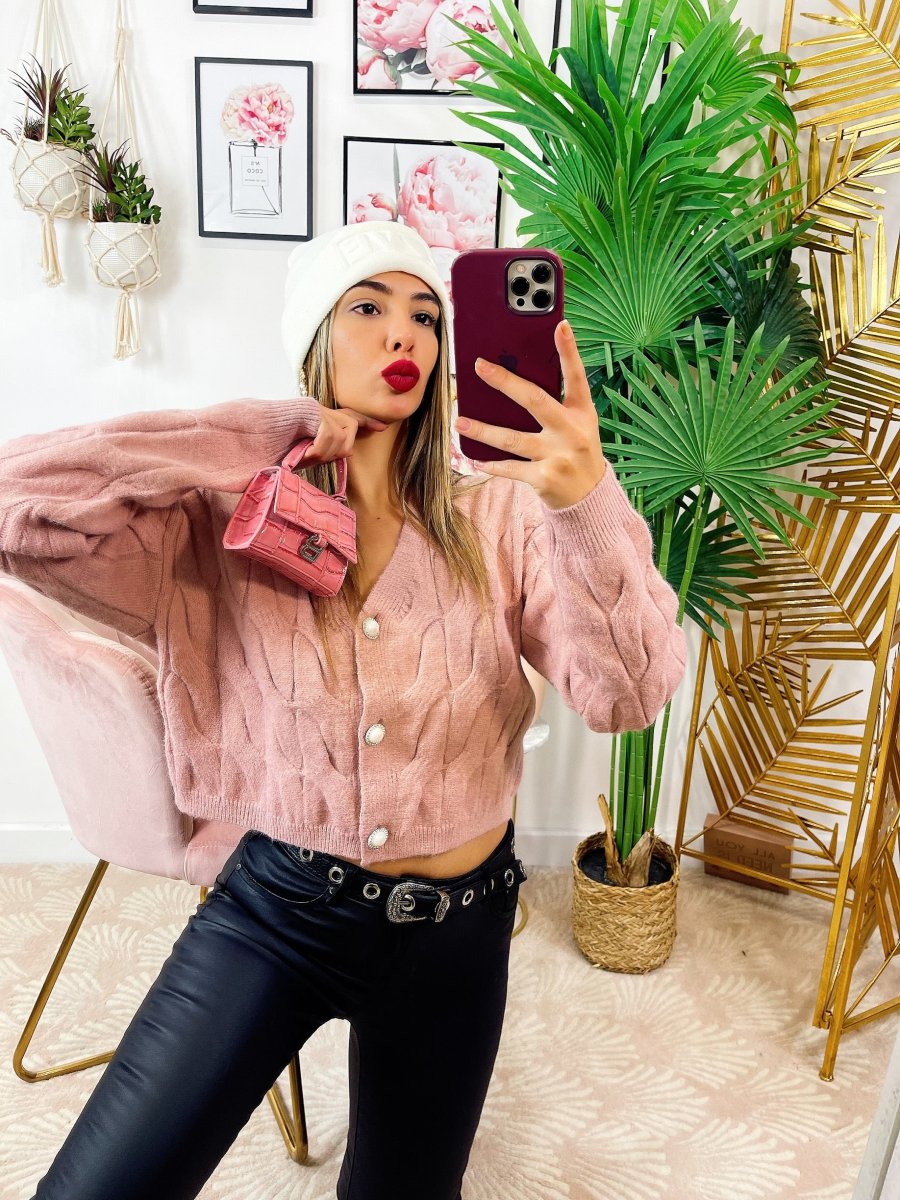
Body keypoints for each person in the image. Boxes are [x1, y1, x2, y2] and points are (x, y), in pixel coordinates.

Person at [0, 220, 687, 1200]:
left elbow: (631, 693)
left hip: (457, 934)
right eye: (368, 307)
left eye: (427, 316)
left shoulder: (500, 515)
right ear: (314, 337)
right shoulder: (220, 516)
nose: (405, 334)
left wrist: (584, 497)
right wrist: (261, 436)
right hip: (278, 912)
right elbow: (17, 509)